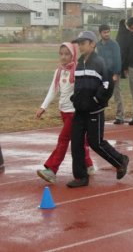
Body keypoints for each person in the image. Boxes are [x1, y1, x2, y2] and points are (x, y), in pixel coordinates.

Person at [67, 31, 129, 188]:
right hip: (80, 111)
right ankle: (81, 177)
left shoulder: (99, 62)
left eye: (83, 43)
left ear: (92, 44)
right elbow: (79, 85)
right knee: (76, 143)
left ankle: (120, 160)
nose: (80, 46)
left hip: (94, 110)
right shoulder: (79, 63)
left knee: (96, 143)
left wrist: (96, 100)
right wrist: (76, 99)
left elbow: (108, 85)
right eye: (79, 43)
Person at [35, 42, 94, 184]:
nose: (63, 57)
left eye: (67, 54)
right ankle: (89, 165)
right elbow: (53, 90)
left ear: (73, 55)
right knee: (78, 140)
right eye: (61, 54)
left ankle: (52, 169)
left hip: (75, 113)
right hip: (63, 111)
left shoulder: (79, 70)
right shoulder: (59, 71)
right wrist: (43, 107)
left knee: (63, 140)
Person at [96, 24, 124, 125]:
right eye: (104, 32)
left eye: (108, 32)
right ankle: (100, 115)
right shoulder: (98, 45)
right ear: (100, 33)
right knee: (101, 94)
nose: (107, 34)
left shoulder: (114, 44)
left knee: (117, 94)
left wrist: (116, 73)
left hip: (112, 72)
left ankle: (120, 116)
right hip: (102, 73)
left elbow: (117, 59)